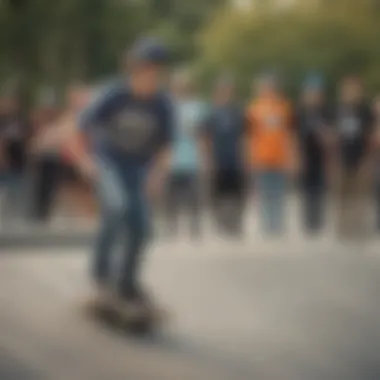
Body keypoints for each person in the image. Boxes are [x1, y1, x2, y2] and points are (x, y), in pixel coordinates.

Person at [75, 37, 173, 316]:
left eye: (156, 71)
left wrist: (157, 174)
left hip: (137, 171)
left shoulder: (162, 103)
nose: (151, 77)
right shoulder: (114, 94)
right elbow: (79, 126)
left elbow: (165, 145)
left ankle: (127, 283)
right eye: (145, 70)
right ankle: (101, 275)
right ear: (134, 69)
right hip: (107, 165)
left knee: (142, 228)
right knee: (116, 208)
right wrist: (84, 160)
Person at [246, 73, 296, 235]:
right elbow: (250, 136)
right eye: (264, 86)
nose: (267, 89)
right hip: (261, 157)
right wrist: (251, 157)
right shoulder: (254, 109)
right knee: (264, 194)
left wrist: (292, 156)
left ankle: (278, 225)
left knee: (279, 193)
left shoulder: (284, 107)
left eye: (270, 86)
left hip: (280, 157)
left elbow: (289, 134)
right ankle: (266, 226)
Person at [164, 70, 206, 238]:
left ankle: (194, 226)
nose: (181, 89)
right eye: (178, 86)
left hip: (191, 157)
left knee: (193, 195)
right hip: (171, 158)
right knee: (171, 196)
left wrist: (204, 156)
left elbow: (203, 135)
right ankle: (171, 226)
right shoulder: (166, 108)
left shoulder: (197, 107)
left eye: (184, 86)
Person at [203, 76, 246, 236]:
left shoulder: (237, 112)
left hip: (235, 158)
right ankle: (221, 224)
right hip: (218, 158)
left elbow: (244, 137)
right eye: (222, 91)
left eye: (228, 91)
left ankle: (235, 224)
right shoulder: (212, 113)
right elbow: (206, 137)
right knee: (219, 194)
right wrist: (208, 158)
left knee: (236, 193)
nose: (225, 94)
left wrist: (245, 157)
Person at [332, 76, 374, 240]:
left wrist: (369, 158)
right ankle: (343, 230)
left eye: (354, 89)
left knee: (359, 196)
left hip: (361, 158)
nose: (350, 93)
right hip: (342, 157)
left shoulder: (364, 110)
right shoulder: (338, 110)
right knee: (343, 196)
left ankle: (358, 230)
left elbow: (370, 135)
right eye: (347, 90)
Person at [296, 75, 330, 234]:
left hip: (321, 156)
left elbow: (332, 136)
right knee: (307, 190)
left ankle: (319, 222)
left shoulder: (326, 113)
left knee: (320, 189)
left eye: (316, 93)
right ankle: (308, 223)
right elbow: (294, 137)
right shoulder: (300, 114)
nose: (313, 97)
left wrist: (325, 133)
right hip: (305, 156)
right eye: (310, 93)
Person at [0, 89, 30, 225]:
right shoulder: (3, 121)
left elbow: (25, 141)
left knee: (16, 194)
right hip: (7, 165)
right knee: (6, 193)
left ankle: (14, 220)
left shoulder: (19, 120)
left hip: (19, 164)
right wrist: (3, 160)